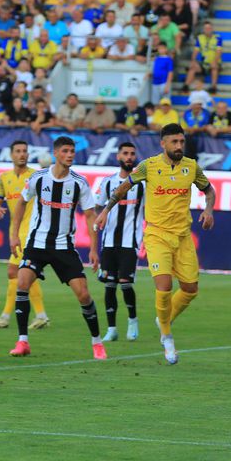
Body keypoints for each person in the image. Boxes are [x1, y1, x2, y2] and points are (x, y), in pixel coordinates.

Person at [99, 124, 217, 365]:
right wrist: (106, 210)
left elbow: (209, 190)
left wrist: (208, 210)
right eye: (174, 142)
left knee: (190, 289)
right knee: (164, 287)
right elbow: (124, 187)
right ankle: (167, 336)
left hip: (183, 236)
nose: (179, 146)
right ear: (163, 144)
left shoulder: (191, 167)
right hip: (157, 235)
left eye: (181, 142)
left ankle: (164, 319)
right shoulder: (148, 166)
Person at [8, 136, 103, 359]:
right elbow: (22, 202)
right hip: (37, 244)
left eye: (72, 151)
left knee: (83, 294)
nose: (70, 155)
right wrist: (14, 236)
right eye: (66, 151)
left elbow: (90, 215)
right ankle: (22, 342)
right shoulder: (38, 178)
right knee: (22, 283)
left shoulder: (79, 183)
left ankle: (97, 343)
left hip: (64, 246)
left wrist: (93, 248)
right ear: (56, 153)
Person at [0, 139, 48, 331]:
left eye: (25, 151)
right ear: (11, 154)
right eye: (18, 151)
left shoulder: (35, 176)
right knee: (24, 273)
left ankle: (6, 316)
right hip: (15, 230)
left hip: (31, 231)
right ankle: (41, 315)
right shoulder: (4, 177)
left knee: (14, 271)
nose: (22, 154)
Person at [95, 142, 146, 343]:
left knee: (125, 283)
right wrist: (99, 218)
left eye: (132, 153)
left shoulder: (143, 185)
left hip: (130, 242)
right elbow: (97, 207)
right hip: (109, 242)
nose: (129, 157)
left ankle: (132, 321)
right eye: (125, 153)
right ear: (118, 157)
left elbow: (150, 211)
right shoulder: (107, 182)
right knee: (109, 285)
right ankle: (112, 329)